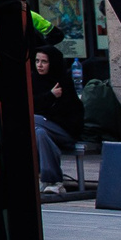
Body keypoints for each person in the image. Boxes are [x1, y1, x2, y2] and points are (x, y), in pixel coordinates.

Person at [32, 46, 83, 195]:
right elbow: (33, 104)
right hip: (44, 129)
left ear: (52, 63)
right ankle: (52, 181)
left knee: (32, 119)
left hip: (65, 131)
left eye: (44, 62)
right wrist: (50, 96)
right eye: (37, 61)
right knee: (40, 133)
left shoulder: (63, 81)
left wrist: (47, 109)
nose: (39, 65)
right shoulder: (34, 80)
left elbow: (68, 113)